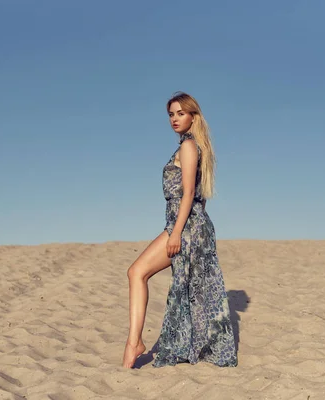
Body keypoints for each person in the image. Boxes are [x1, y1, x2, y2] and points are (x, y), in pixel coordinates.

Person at [122, 92, 238, 369]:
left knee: (136, 272)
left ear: (193, 116)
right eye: (171, 115)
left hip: (184, 226)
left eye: (180, 113)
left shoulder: (189, 147)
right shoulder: (195, 147)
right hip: (190, 224)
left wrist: (175, 233)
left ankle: (133, 343)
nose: (174, 119)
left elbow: (188, 194)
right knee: (183, 288)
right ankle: (137, 343)